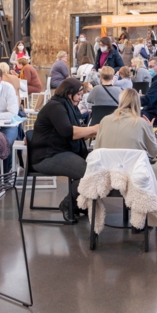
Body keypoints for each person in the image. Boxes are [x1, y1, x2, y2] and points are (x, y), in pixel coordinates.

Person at [31, 78, 98, 222]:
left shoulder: (68, 106)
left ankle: (77, 205)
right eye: (79, 94)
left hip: (58, 151)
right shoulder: (55, 107)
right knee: (88, 171)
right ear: (69, 93)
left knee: (94, 168)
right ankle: (68, 204)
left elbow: (72, 133)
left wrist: (92, 132)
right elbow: (68, 132)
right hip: (46, 156)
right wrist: (93, 129)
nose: (80, 98)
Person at [95, 88, 157, 159]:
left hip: (106, 166)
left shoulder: (105, 120)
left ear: (120, 101)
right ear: (137, 103)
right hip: (132, 167)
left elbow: (96, 149)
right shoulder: (141, 123)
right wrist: (150, 130)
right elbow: (153, 152)